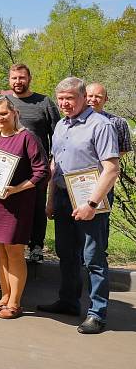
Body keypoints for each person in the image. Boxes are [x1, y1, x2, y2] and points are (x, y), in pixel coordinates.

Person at [37, 77, 120, 334]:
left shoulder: (101, 125)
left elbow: (111, 169)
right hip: (63, 196)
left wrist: (91, 204)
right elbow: (55, 165)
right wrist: (51, 199)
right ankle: (69, 301)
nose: (64, 103)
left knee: (93, 258)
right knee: (66, 253)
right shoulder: (61, 125)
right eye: (61, 98)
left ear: (83, 97)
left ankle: (97, 313)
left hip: (90, 199)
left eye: (70, 98)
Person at [0, 97, 47, 319]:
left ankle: (15, 301)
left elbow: (41, 172)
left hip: (16, 205)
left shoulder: (27, 138)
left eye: (3, 113)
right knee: (0, 252)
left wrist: (16, 189)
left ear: (14, 113)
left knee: (14, 252)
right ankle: (4, 296)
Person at [0, 63, 60, 263]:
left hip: (35, 167)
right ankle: (4, 250)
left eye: (22, 78)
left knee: (36, 209)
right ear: (9, 80)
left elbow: (58, 134)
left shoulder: (44, 103)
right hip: (5, 169)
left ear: (29, 78)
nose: (18, 82)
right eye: (14, 78)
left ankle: (36, 247)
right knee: (6, 212)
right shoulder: (3, 103)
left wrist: (52, 162)